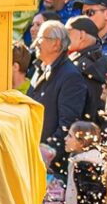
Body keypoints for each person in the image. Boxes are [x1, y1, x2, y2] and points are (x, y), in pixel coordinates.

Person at [27, 20, 89, 160]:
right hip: (33, 154)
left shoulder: (70, 77)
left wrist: (48, 152)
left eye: (40, 38)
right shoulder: (40, 69)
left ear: (56, 44)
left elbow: (67, 124)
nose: (36, 43)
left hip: (51, 163)